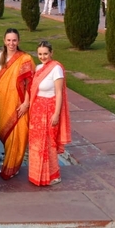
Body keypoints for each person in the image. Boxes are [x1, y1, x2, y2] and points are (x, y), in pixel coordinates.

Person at [28, 41, 71, 186]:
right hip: (37, 111)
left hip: (49, 110)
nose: (43, 57)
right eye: (40, 54)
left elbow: (59, 93)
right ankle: (37, 175)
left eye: (45, 53)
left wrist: (57, 114)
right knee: (37, 144)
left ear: (51, 53)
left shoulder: (56, 69)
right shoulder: (39, 67)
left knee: (49, 144)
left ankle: (53, 175)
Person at [0, 28, 34, 180]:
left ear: (18, 41)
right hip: (3, 103)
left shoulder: (25, 59)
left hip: (19, 103)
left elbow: (30, 84)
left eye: (14, 40)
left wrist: (26, 103)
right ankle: (7, 159)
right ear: (4, 41)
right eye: (9, 40)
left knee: (17, 135)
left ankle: (13, 165)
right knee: (5, 133)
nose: (11, 43)